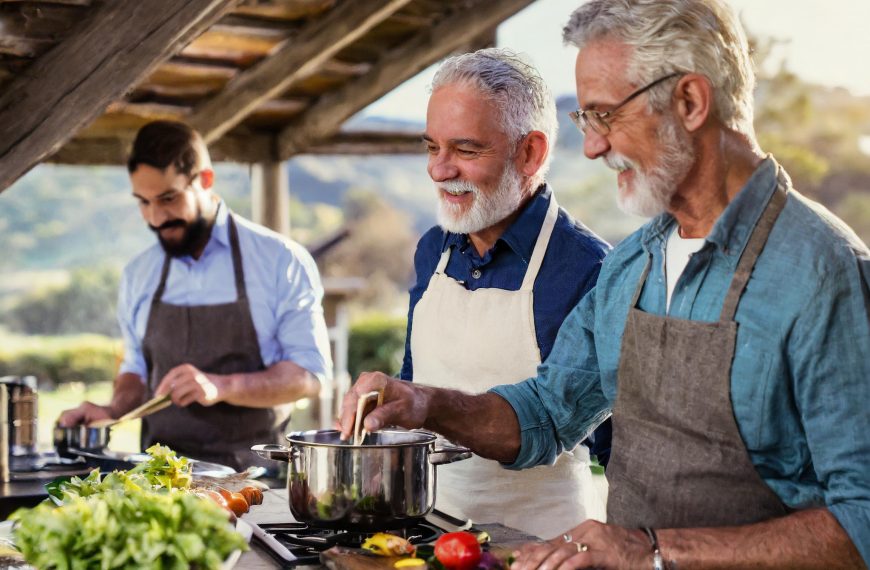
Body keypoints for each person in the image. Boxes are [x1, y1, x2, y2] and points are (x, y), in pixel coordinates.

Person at [339, 1, 870, 568]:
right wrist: (425, 401)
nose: (592, 147)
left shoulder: (823, 272)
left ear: (690, 102)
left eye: (606, 116)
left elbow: (862, 517)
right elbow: (544, 415)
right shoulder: (632, 266)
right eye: (586, 122)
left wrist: (658, 552)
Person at [399, 48, 610, 537]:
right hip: (429, 535)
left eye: (466, 150)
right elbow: (416, 384)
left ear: (530, 152)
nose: (438, 170)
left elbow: (622, 451)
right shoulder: (433, 251)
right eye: (432, 147)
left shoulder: (590, 269)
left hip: (545, 546)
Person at [59, 121, 332, 472]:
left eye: (168, 199)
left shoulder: (280, 260)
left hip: (255, 481)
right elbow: (137, 371)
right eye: (143, 202)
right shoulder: (139, 274)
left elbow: (308, 376)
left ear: (204, 180)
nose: (156, 218)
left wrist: (221, 385)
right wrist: (111, 411)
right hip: (158, 481)